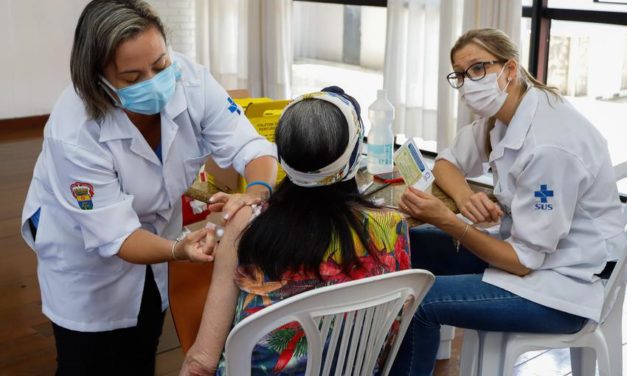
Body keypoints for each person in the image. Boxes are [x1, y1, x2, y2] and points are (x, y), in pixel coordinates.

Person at [20, 1, 277, 374]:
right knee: (87, 360)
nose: (154, 82)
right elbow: (118, 237)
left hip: (155, 239)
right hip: (86, 258)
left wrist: (255, 192)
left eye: (159, 65)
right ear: (98, 79)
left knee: (142, 346)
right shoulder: (74, 133)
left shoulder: (189, 80)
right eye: (132, 77)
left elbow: (250, 147)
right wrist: (179, 249)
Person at [398, 28, 626, 375]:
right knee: (406, 244)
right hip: (528, 255)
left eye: (477, 69)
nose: (468, 82)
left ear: (510, 69)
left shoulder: (549, 146)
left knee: (420, 302)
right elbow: (446, 162)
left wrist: (449, 220)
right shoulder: (506, 113)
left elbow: (523, 262)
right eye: (460, 75)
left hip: (563, 286)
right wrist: (465, 197)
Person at [179, 87, 412, 375]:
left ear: (282, 156)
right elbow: (392, 329)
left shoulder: (246, 223)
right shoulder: (391, 226)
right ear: (353, 155)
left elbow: (202, 360)